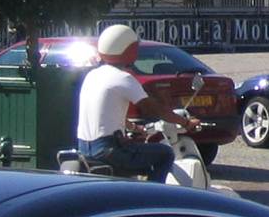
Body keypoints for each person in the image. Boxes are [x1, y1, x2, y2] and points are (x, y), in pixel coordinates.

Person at [76, 25, 196, 182]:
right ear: (130, 49)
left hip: (85, 149)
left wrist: (134, 128)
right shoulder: (123, 78)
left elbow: (105, 113)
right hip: (109, 150)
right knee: (165, 154)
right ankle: (151, 198)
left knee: (140, 153)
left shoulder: (92, 75)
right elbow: (156, 110)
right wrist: (186, 122)